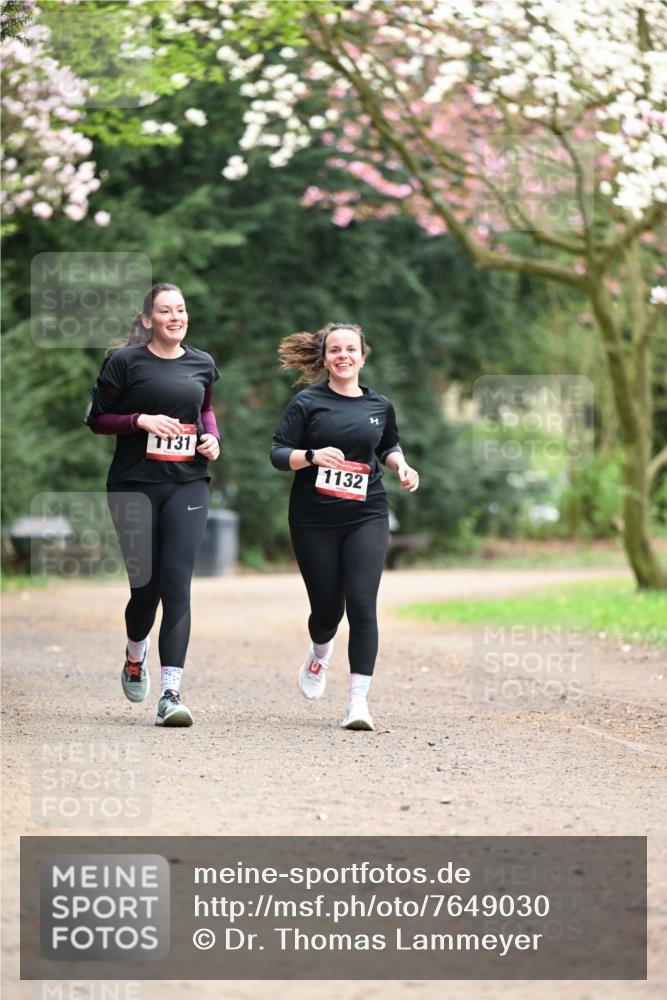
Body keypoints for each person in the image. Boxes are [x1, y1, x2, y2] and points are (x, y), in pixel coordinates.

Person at [270, 322, 419, 731]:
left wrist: (401, 466)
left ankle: (358, 703)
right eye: (335, 350)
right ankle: (320, 651)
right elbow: (278, 453)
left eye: (350, 349)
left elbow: (388, 446)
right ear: (325, 358)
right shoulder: (306, 402)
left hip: (366, 512)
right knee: (326, 611)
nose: (343, 356)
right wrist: (312, 456)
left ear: (362, 356)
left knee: (362, 604)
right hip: (313, 518)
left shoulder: (379, 406)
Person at [86, 283, 220, 727]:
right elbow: (97, 419)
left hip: (188, 484)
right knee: (145, 592)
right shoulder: (125, 362)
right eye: (166, 311)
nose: (175, 317)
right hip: (134, 485)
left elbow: (205, 410)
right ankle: (134, 653)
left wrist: (211, 439)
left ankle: (170, 693)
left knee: (177, 586)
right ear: (148, 320)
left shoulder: (202, 363)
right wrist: (139, 420)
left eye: (181, 309)